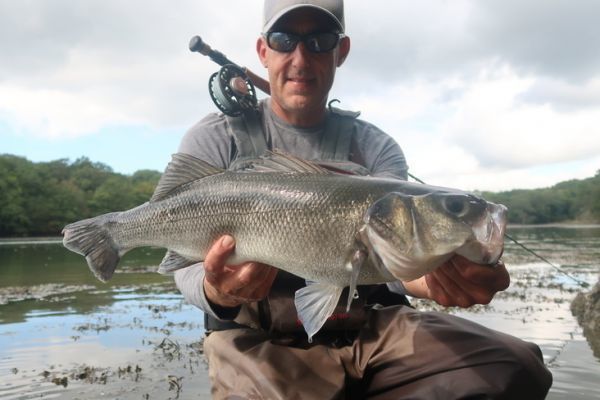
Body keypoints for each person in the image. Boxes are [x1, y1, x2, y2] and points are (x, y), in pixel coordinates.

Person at [174, 0, 553, 398]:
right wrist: (218, 291)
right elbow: (182, 265)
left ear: (342, 51)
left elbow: (392, 256)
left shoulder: (377, 147)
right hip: (255, 341)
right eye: (285, 40)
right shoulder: (214, 138)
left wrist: (434, 279)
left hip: (369, 329)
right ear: (263, 50)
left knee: (515, 367)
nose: (301, 58)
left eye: (320, 41)